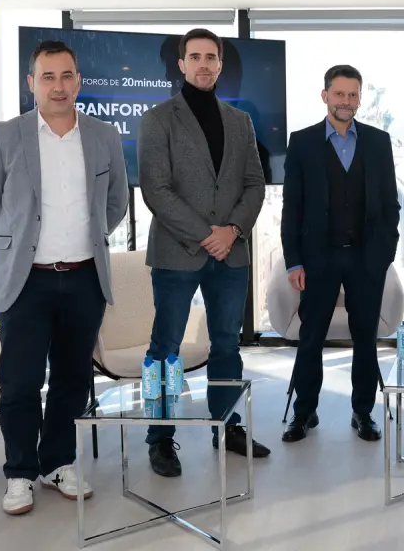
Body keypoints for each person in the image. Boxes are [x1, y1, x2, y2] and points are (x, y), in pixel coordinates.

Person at [0, 39, 128, 515]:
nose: (58, 86)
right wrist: (15, 245)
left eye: (66, 76)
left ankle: (57, 462)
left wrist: (86, 239)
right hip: (26, 282)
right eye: (48, 77)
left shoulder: (104, 136)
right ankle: (19, 473)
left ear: (78, 81)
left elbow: (116, 202)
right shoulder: (5, 135)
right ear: (31, 83)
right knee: (19, 382)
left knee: (72, 378)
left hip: (83, 279)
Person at [139, 28, 271, 477]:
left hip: (231, 253)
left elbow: (255, 184)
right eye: (194, 57)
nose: (203, 64)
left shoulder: (240, 121)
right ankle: (160, 437)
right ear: (181, 65)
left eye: (210, 57)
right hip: (177, 253)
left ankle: (227, 425)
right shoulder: (158, 119)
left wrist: (232, 230)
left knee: (227, 344)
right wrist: (205, 235)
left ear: (220, 64)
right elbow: (156, 190)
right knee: (165, 348)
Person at [279, 65, 400, 444]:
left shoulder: (378, 142)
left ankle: (363, 412)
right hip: (318, 258)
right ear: (325, 96)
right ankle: (304, 412)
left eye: (353, 95)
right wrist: (294, 261)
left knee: (365, 339)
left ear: (359, 98)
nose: (346, 101)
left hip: (366, 259)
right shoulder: (302, 142)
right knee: (311, 337)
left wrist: (385, 252)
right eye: (339, 94)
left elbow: (390, 203)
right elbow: (292, 207)